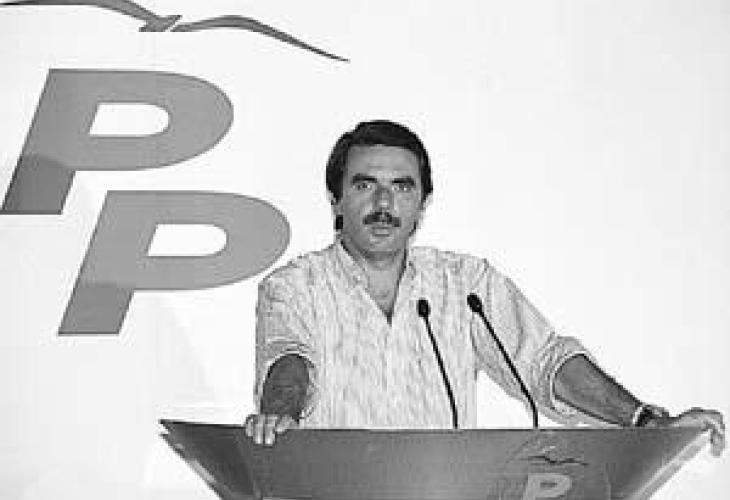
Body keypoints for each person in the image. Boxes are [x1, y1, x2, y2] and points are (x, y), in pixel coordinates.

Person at [244, 120, 725, 453]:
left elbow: (544, 362)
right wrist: (279, 414)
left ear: (423, 204)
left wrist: (647, 421)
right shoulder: (293, 286)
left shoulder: (465, 285)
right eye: (365, 185)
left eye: (403, 187)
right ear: (336, 199)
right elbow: (290, 359)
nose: (384, 203)